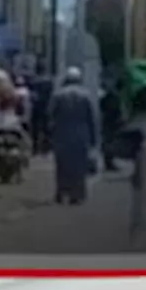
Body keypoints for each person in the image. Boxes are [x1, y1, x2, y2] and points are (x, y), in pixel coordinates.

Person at [48, 66, 98, 205]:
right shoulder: (86, 95)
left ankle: (61, 192)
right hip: (81, 134)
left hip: (62, 133)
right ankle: (76, 194)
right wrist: (94, 139)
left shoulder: (58, 95)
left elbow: (50, 115)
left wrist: (50, 135)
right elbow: (91, 119)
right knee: (79, 166)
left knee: (62, 165)